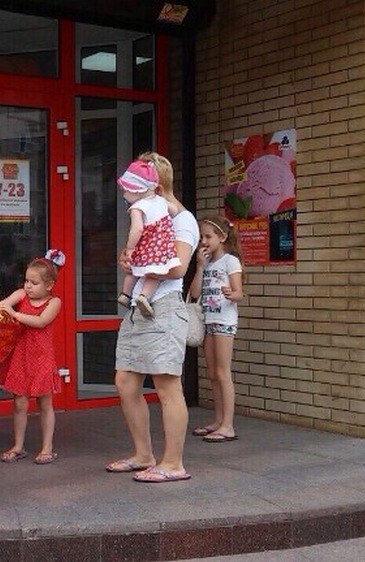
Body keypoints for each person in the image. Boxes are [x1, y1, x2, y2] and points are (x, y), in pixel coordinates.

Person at [106, 151, 199, 483]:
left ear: (154, 184)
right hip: (139, 308)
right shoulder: (147, 212)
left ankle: (173, 463)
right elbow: (139, 259)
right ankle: (143, 454)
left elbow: (179, 267)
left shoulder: (182, 219)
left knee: (166, 384)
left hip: (164, 306)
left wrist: (141, 262)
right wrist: (129, 262)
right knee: (126, 381)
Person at [0, 249, 64, 465]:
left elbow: (42, 322)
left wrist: (15, 314)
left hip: (42, 357)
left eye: (34, 283)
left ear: (49, 285)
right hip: (21, 356)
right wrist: (0, 306)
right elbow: (3, 304)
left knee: (45, 403)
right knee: (19, 403)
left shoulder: (54, 302)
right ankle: (18, 445)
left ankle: (47, 447)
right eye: (26, 281)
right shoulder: (22, 295)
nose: (28, 286)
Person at [188, 215, 245, 443]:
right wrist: (200, 266)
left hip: (224, 320)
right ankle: (218, 421)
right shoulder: (209, 262)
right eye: (202, 236)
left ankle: (228, 425)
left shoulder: (231, 261)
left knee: (223, 373)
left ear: (222, 237)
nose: (204, 241)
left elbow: (239, 292)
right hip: (207, 321)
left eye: (208, 236)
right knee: (212, 374)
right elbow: (194, 293)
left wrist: (232, 294)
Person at [115, 159, 181, 318]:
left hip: (144, 245)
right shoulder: (161, 201)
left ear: (137, 190)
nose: (124, 194)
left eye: (126, 190)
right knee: (154, 273)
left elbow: (137, 229)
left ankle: (126, 294)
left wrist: (130, 247)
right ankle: (144, 297)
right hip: (160, 248)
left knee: (134, 269)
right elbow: (175, 210)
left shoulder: (137, 207)